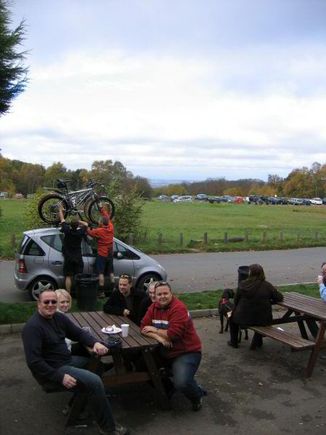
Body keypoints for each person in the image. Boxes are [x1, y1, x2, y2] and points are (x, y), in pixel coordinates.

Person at [22, 288, 128, 435]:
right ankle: (108, 428)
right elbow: (34, 362)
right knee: (94, 381)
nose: (51, 304)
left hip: (67, 361)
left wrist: (95, 343)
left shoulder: (58, 318)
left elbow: (78, 333)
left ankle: (77, 405)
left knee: (97, 366)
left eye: (54, 301)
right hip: (54, 370)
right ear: (38, 304)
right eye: (46, 302)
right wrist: (60, 377)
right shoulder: (32, 328)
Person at [141, 281, 205, 411]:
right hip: (165, 350)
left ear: (171, 294)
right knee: (141, 365)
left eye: (165, 293)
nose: (162, 297)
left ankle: (197, 396)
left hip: (186, 352)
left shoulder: (179, 308)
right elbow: (142, 327)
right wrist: (159, 337)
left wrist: (154, 329)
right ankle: (169, 389)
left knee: (182, 382)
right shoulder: (153, 308)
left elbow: (173, 335)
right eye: (159, 294)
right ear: (155, 295)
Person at [228, 263, 284, 348]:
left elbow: (236, 300)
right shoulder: (267, 285)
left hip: (242, 318)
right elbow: (279, 298)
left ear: (250, 273)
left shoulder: (242, 285)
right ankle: (257, 342)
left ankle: (234, 342)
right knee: (259, 319)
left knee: (232, 319)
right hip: (263, 319)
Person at [79, 205, 114, 298]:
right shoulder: (111, 227)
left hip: (102, 254)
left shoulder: (99, 231)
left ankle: (101, 292)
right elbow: (106, 216)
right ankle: (114, 289)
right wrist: (102, 209)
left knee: (101, 273)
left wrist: (85, 227)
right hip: (110, 254)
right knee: (111, 272)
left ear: (101, 222)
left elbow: (89, 232)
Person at [59, 206, 87, 293]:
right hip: (78, 257)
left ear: (70, 225)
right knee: (78, 276)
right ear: (78, 225)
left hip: (68, 257)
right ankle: (79, 293)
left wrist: (60, 210)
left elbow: (62, 219)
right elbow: (86, 224)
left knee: (68, 276)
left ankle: (68, 293)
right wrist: (79, 221)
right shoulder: (80, 232)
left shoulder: (67, 231)